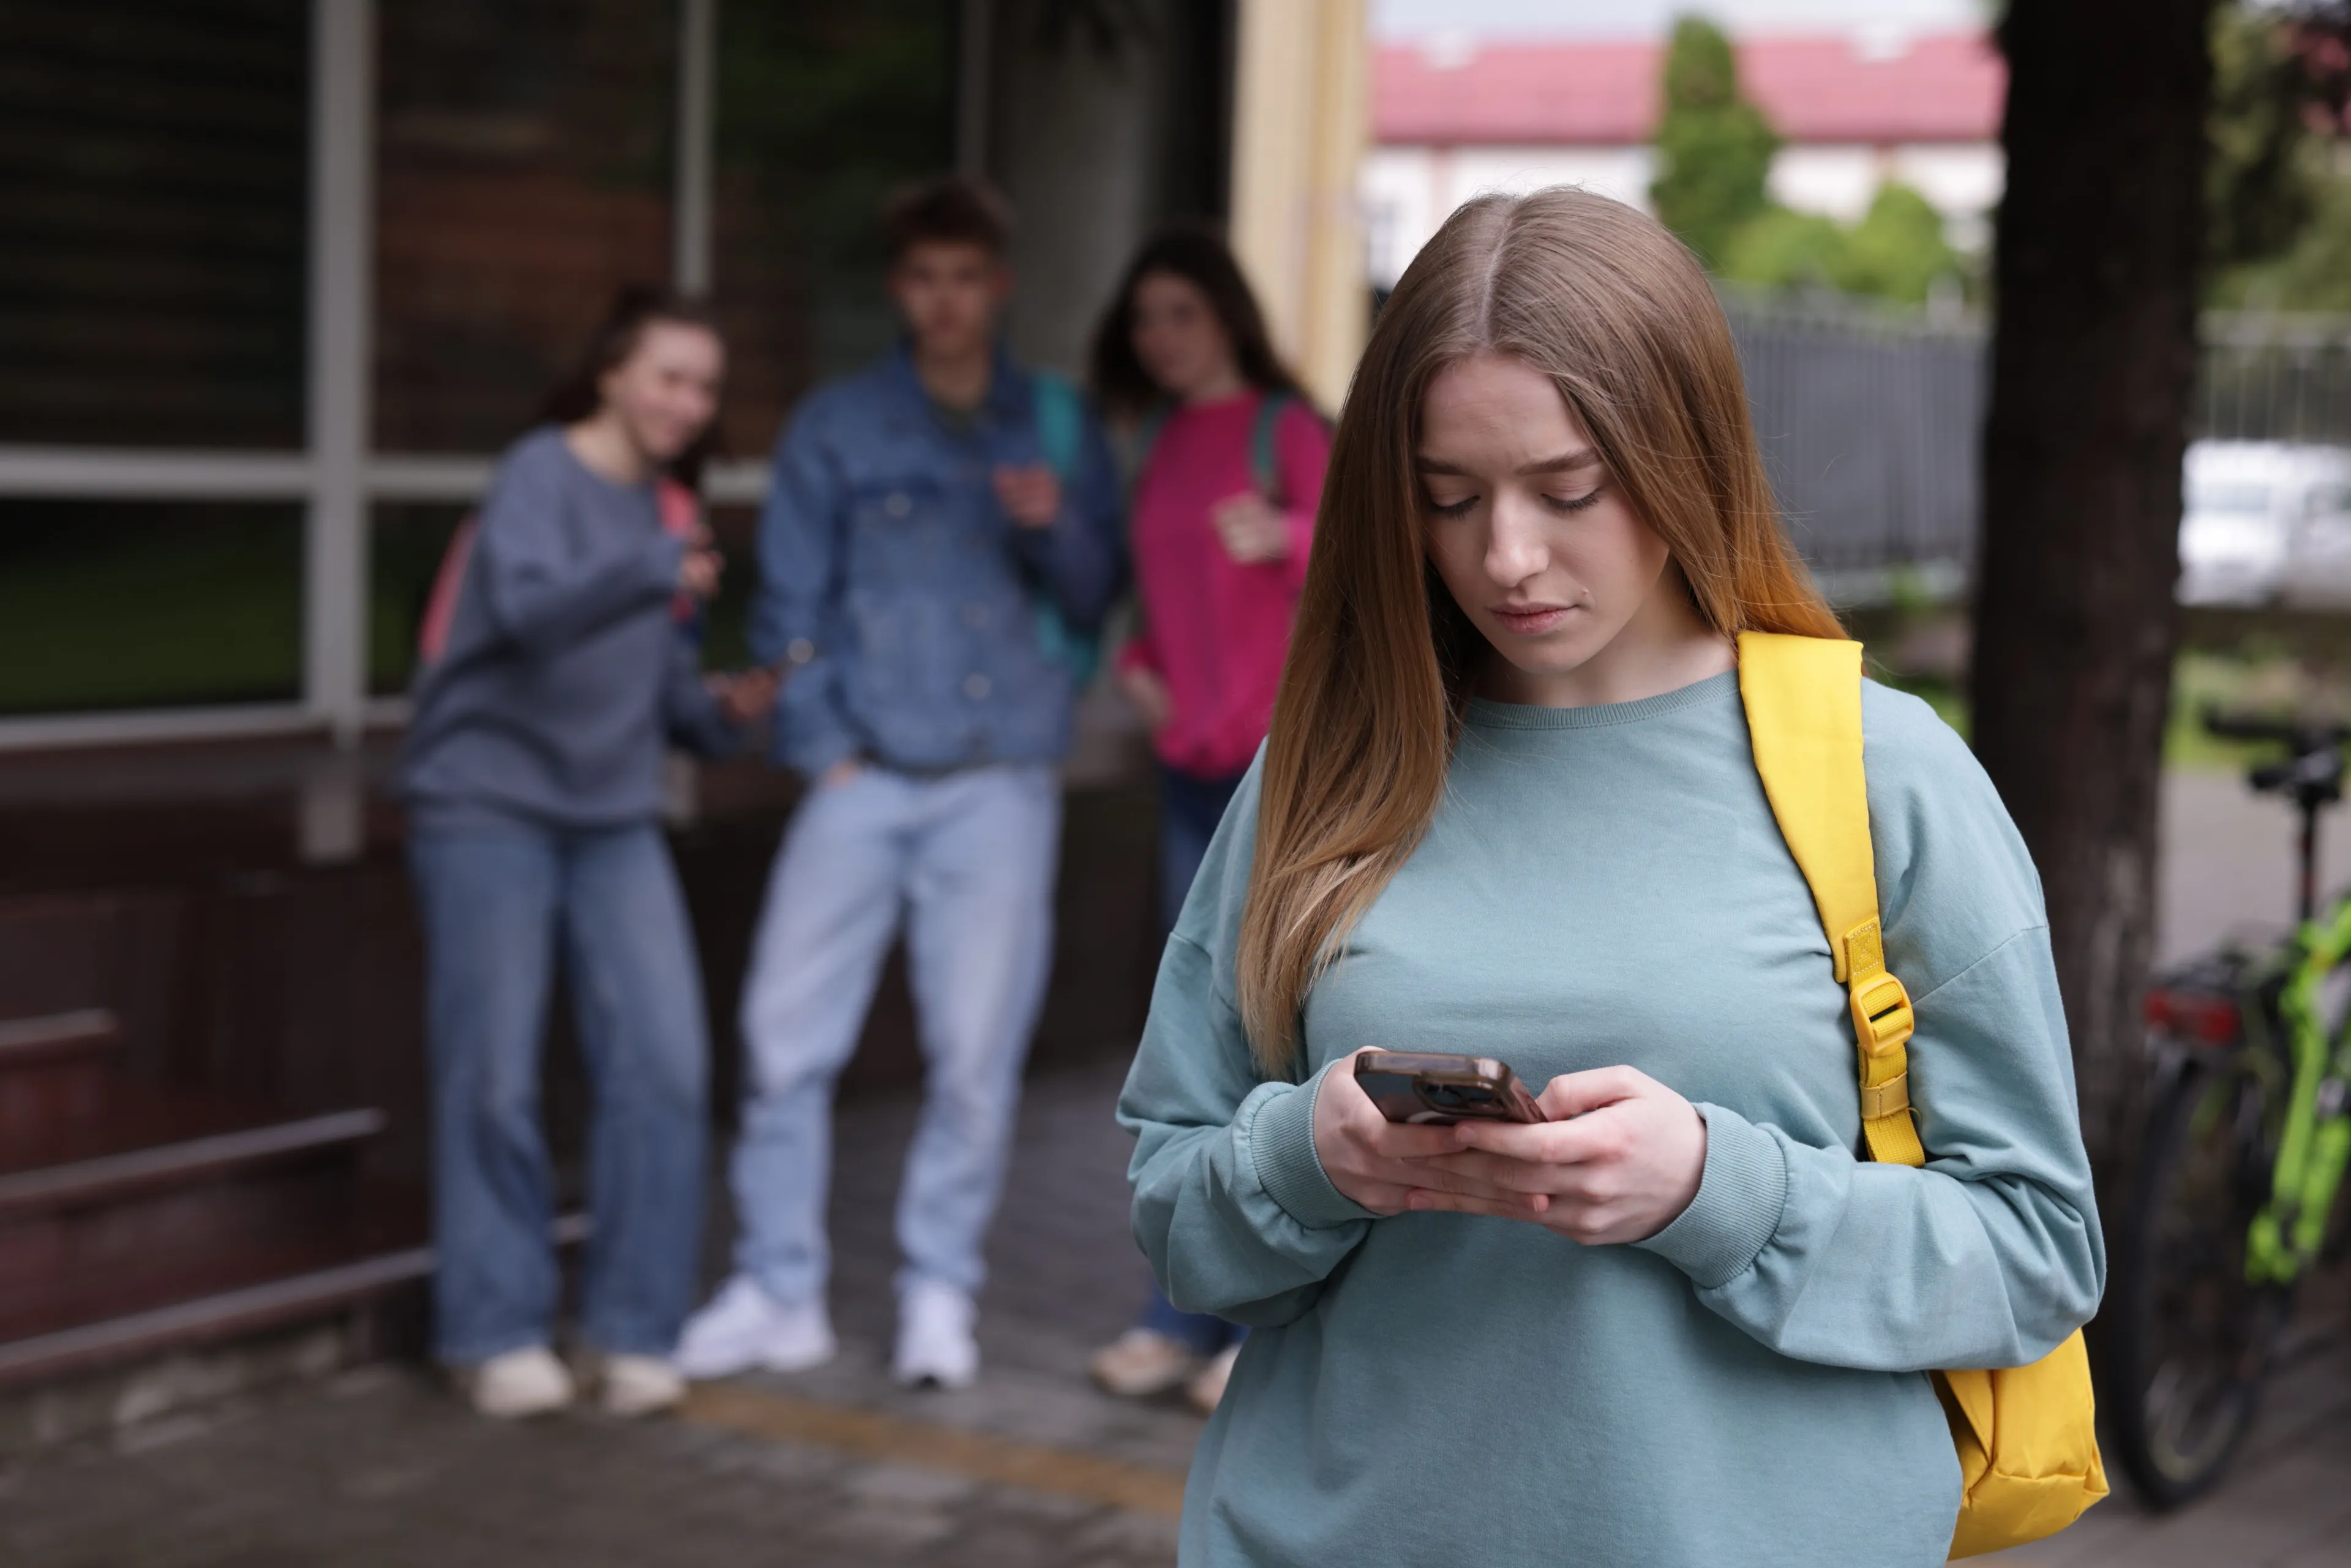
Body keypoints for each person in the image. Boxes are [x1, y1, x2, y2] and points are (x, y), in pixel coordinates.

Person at [1117, 188, 2102, 1566]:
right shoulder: (1323, 767)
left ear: (1683, 451)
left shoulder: (1878, 772)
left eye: (1567, 489)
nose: (1506, 556)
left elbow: (2037, 1254)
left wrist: (1718, 1188)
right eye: (1448, 498)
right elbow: (1176, 1212)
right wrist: (1312, 1155)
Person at [677, 177, 1123, 1390]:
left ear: (1000, 285)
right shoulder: (838, 423)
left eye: (965, 276)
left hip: (998, 782)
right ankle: (781, 1286)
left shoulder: (1055, 422)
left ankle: (941, 1287)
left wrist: (1049, 526)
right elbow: (790, 603)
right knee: (781, 1039)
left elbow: (1095, 592)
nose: (944, 300)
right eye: (923, 277)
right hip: (862, 771)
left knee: (973, 1057)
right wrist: (820, 748)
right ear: (899, 289)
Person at [400, 288, 776, 1420]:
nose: (686, 402)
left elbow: (653, 684)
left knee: (665, 1067)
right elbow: (521, 608)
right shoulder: (539, 473)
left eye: (704, 386)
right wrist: (654, 569)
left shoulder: (669, 511)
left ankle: (632, 1331)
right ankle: (493, 1329)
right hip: (486, 808)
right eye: (667, 376)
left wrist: (725, 709)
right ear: (611, 372)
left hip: (613, 816)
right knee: (493, 1078)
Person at [1081, 229, 1330, 1413]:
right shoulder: (1161, 445)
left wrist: (1286, 536)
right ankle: (1180, 1315)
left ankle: (1254, 1325)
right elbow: (1147, 593)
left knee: (1277, 1040)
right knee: (1197, 1051)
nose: (1161, 339)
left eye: (1180, 313)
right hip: (1190, 778)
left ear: (1227, 314)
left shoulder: (1292, 428)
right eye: (1145, 321)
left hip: (1288, 784)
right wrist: (1136, 667)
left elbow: (1375, 572)